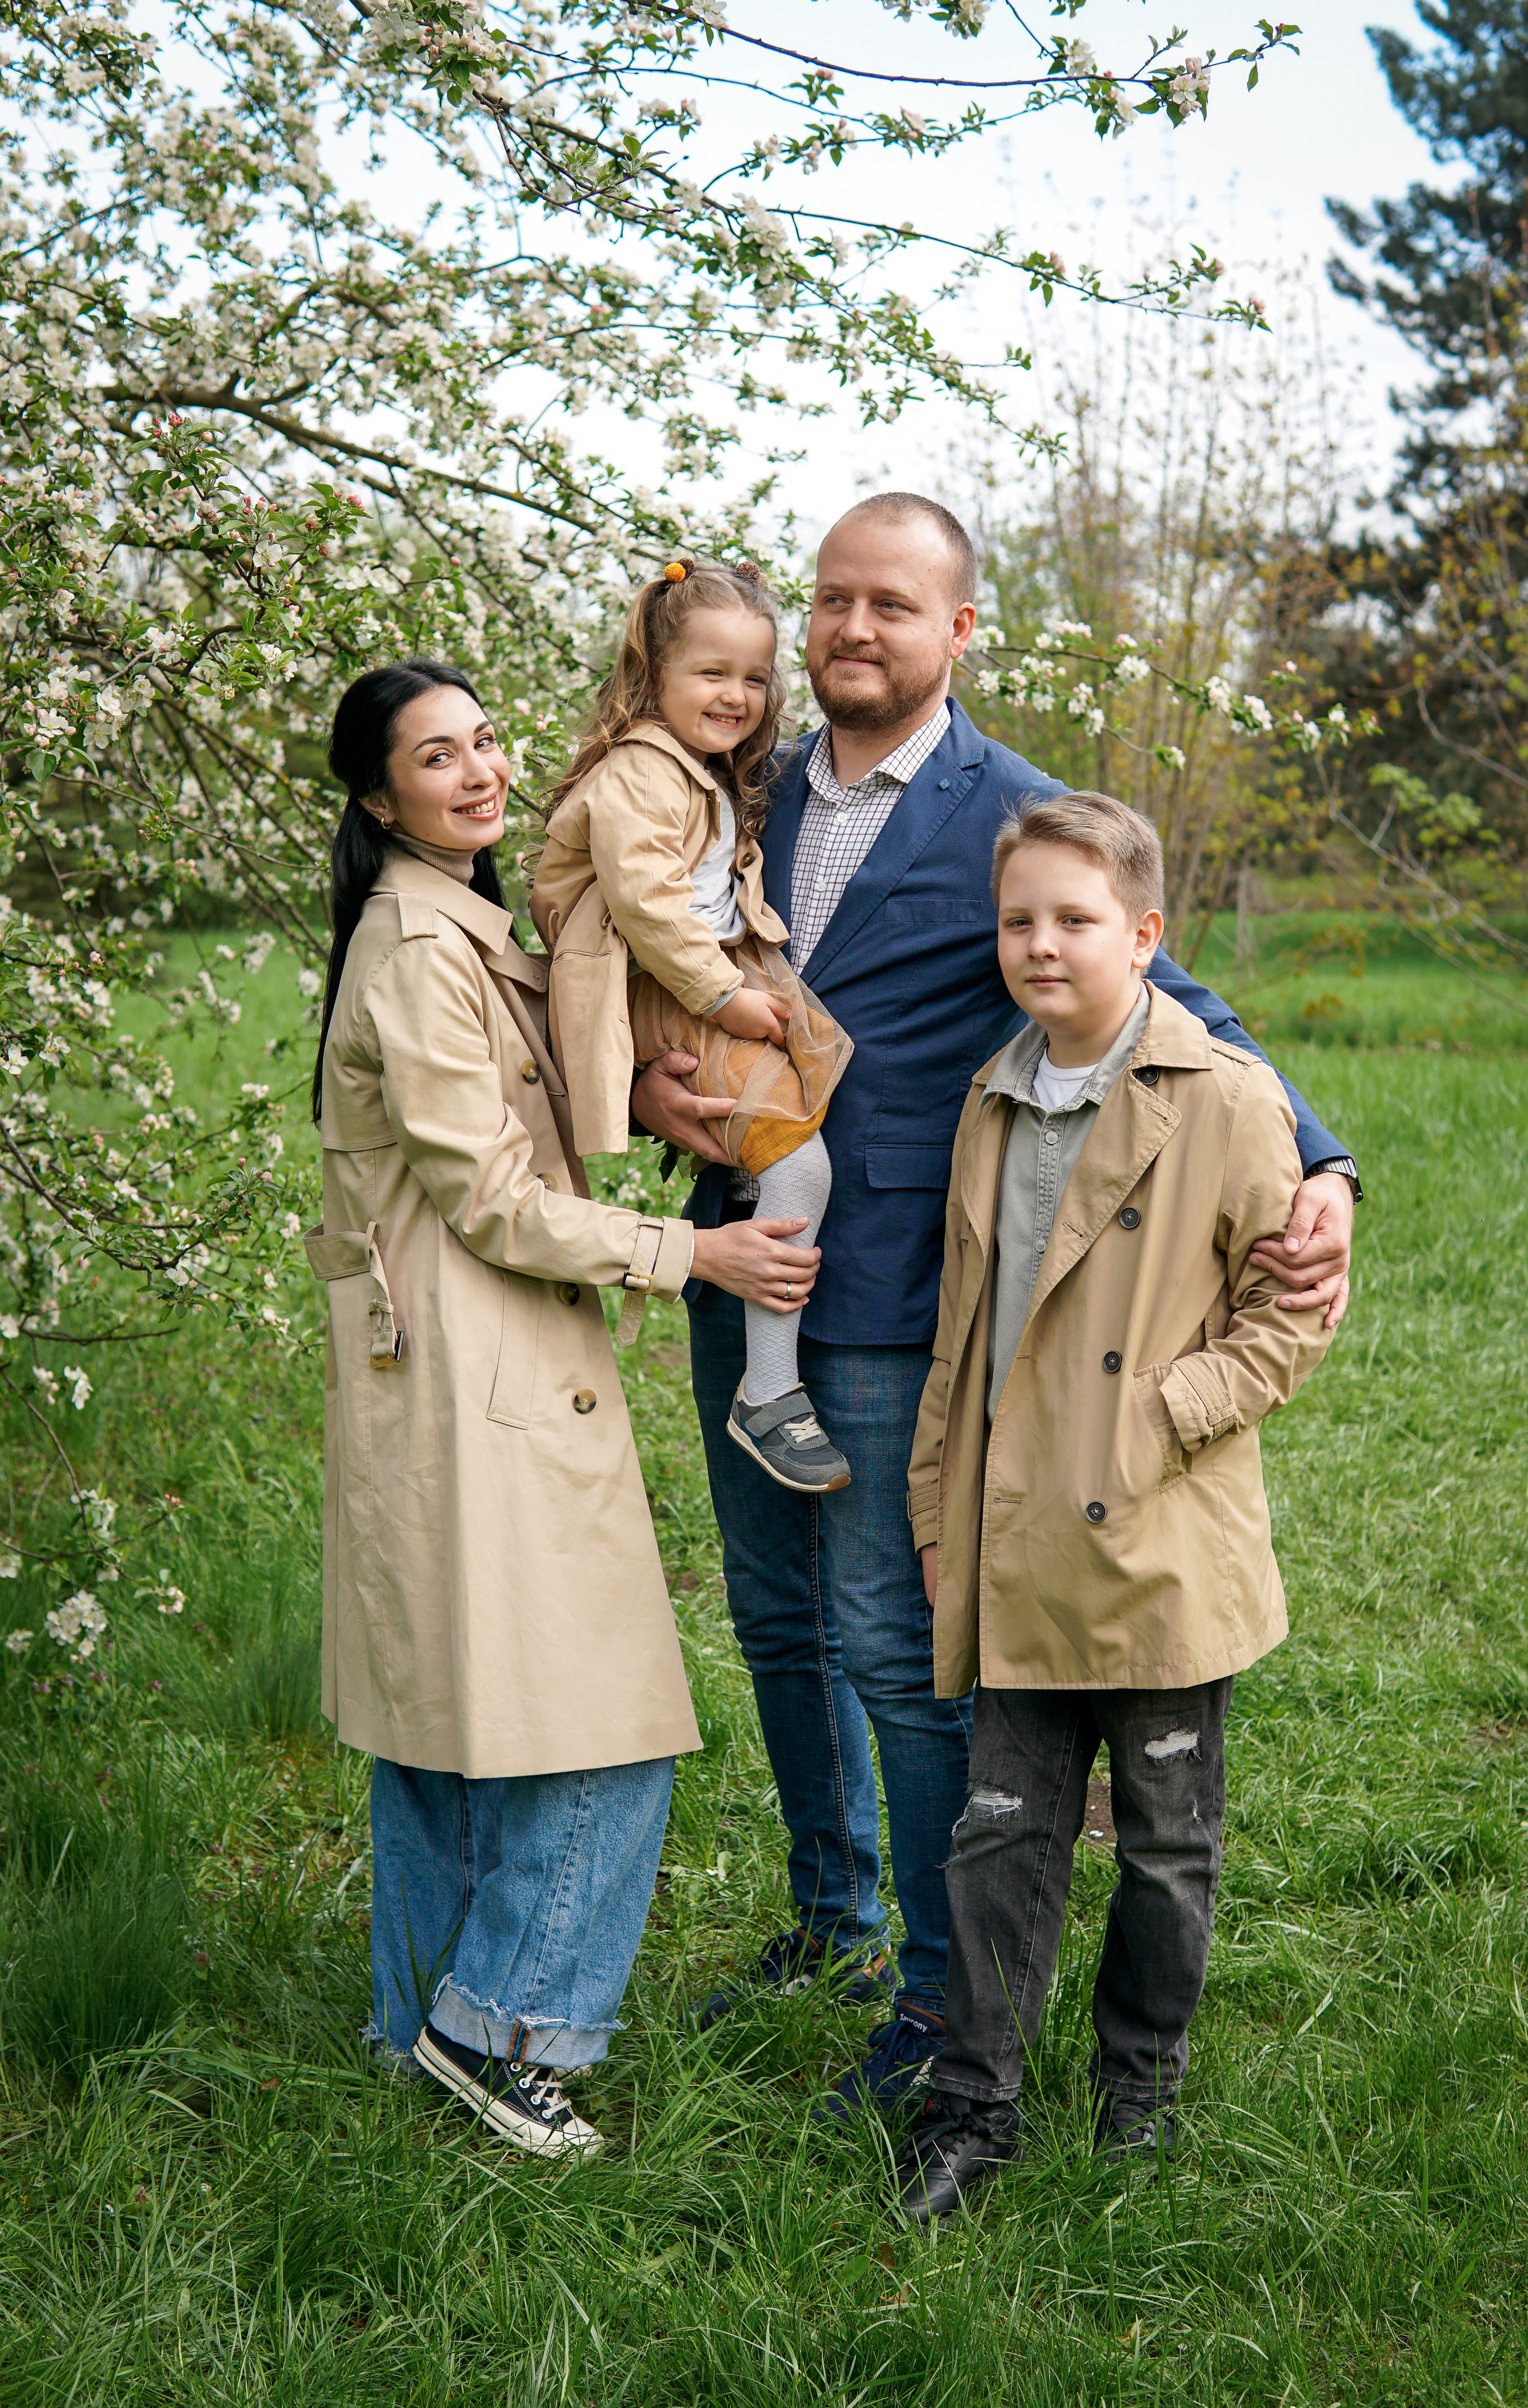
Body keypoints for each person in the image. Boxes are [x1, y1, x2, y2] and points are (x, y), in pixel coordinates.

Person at [631, 493, 1361, 2122]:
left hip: (895, 1296)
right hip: (734, 1260)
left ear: (962, 630)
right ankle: (831, 1914)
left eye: (893, 604)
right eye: (831, 601)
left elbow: (1188, 1006)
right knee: (772, 1622)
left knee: (894, 1641)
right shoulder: (720, 794)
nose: (851, 632)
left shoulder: (1010, 815)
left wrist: (1323, 1163)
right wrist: (641, 1084)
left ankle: (943, 1996)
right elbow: (646, 970)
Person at [306, 658, 820, 2158]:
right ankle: (502, 2031)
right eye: (433, 758)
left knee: (444, 1720)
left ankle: (417, 2030)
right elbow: (488, 1197)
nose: (476, 775)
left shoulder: (459, 931)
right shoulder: (417, 948)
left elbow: (506, 1114)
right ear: (374, 796)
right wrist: (691, 1252)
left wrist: (645, 1105)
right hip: (485, 1378)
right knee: (602, 1727)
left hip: (457, 1379)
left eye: (484, 744)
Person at [893, 791, 1334, 2222]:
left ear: (1143, 935)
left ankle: (1136, 2085)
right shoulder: (992, 1092)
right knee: (1001, 1831)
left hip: (1152, 1543)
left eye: (1074, 920)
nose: (1039, 944)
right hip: (1015, 1539)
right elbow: (966, 1330)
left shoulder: (1221, 1095)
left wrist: (1157, 1418)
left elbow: (1288, 1316)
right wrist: (932, 1510)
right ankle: (972, 2103)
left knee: (1162, 1841)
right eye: (1017, 919)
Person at [531, 559, 854, 1492]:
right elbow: (647, 903)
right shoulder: (640, 769)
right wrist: (721, 998)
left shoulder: (693, 769)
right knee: (803, 1159)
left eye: (755, 678)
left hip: (700, 972)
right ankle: (769, 1389)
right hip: (672, 981)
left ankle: (758, 1177)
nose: (737, 696)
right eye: (712, 674)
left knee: (806, 1101)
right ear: (654, 674)